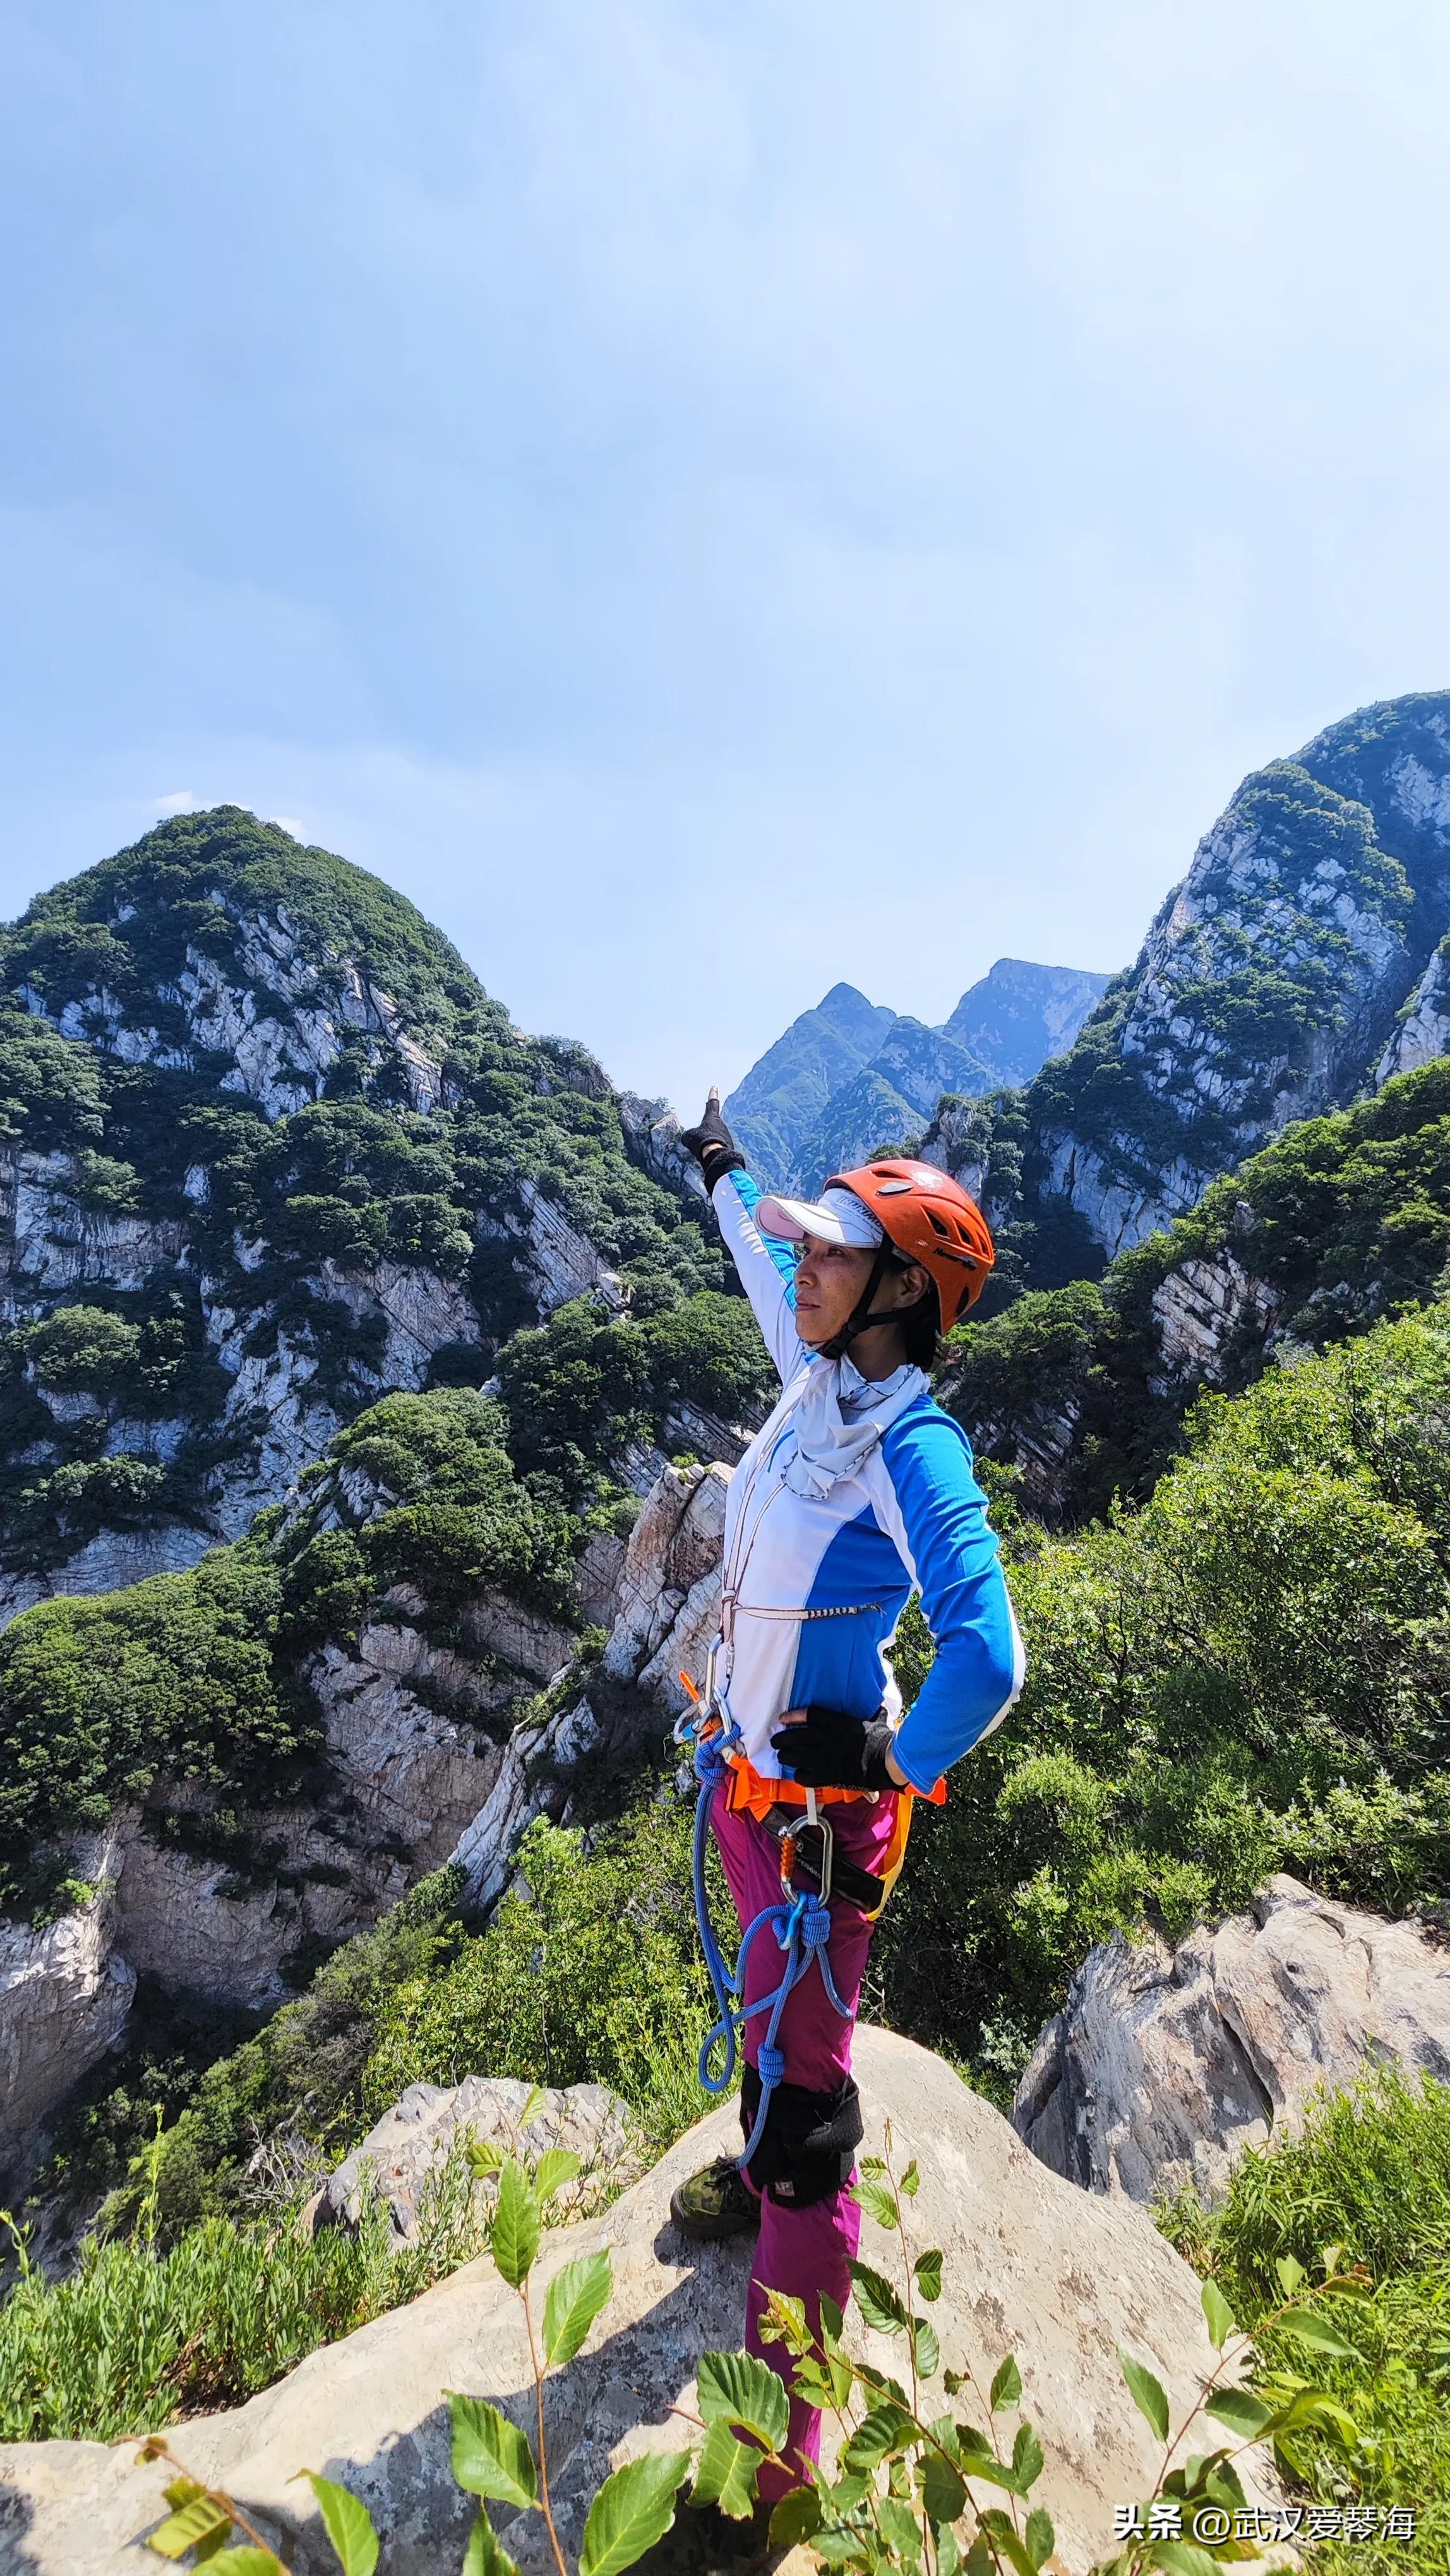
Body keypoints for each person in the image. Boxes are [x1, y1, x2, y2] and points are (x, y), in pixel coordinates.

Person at [670, 1088, 1025, 2504]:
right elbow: (758, 1264)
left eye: (831, 1255)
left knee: (808, 2138)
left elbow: (987, 1650)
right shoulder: (817, 1371)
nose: (802, 1268)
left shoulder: (908, 1447)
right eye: (809, 1252)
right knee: (760, 2032)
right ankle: (750, 2164)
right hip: (745, 1793)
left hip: (819, 1830)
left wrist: (885, 1764)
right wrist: (720, 1167)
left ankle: (778, 2477)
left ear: (897, 1295)